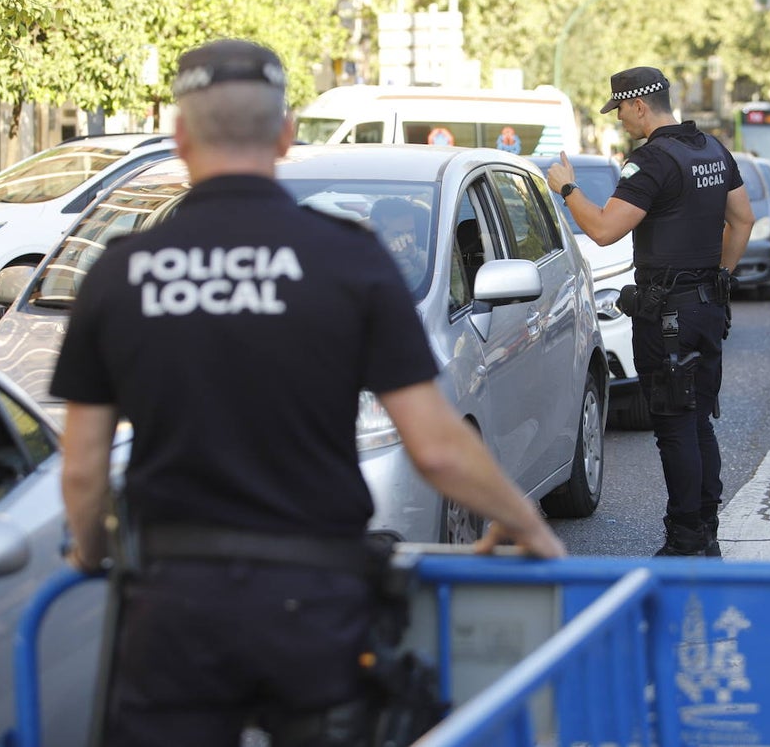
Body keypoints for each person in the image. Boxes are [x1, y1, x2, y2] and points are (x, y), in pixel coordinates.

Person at [51, 39, 565, 747]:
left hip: (174, 602)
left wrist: (89, 555)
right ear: (285, 136)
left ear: (180, 137)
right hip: (315, 600)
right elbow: (439, 447)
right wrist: (524, 521)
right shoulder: (348, 258)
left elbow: (82, 467)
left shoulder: (120, 272)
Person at [545, 66, 754, 558]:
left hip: (668, 318)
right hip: (706, 309)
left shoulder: (652, 161)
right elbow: (743, 220)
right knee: (698, 421)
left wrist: (568, 189)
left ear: (639, 105)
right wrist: (717, 278)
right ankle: (704, 530)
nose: (619, 118)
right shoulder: (713, 150)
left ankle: (685, 539)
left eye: (619, 108)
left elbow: (603, 230)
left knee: (675, 427)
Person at [368, 196, 429, 286]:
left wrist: (415, 256)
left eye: (411, 232)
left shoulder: (419, 255)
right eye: (397, 235)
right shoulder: (363, 263)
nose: (408, 241)